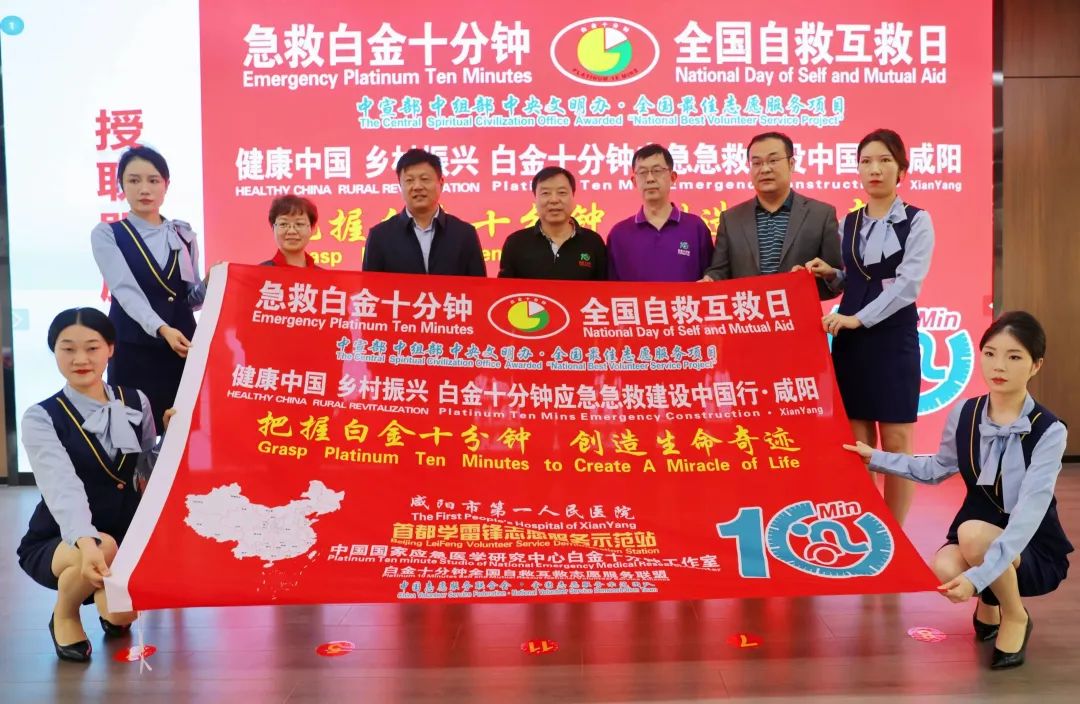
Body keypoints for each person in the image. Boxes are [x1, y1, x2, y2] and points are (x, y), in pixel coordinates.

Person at [844, 312, 1070, 670]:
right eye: (990, 353)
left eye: (1014, 357)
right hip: (973, 533)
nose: (999, 366)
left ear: (1035, 365)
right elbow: (937, 469)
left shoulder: (1050, 430)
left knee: (974, 535)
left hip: (1029, 543)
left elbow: (1029, 514)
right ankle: (991, 600)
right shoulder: (966, 412)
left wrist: (976, 579)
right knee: (945, 565)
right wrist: (877, 458)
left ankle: (1015, 615)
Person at [16, 308, 165, 662]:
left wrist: (172, 437)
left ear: (110, 349)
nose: (80, 359)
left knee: (121, 616)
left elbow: (146, 467)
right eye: (68, 349)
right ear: (54, 352)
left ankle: (109, 599)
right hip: (61, 538)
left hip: (125, 533)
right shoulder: (41, 416)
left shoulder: (136, 401)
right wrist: (87, 540)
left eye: (92, 348)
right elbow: (61, 486)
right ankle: (65, 615)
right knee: (102, 545)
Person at [804, 128, 934, 524]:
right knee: (857, 444)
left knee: (896, 442)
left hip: (892, 340)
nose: (874, 169)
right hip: (850, 343)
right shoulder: (851, 221)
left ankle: (896, 533)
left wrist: (858, 318)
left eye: (884, 161)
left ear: (901, 170)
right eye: (866, 162)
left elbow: (907, 286)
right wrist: (832, 275)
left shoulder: (918, 220)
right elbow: (858, 278)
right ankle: (870, 530)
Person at [91, 146, 205, 431]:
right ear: (121, 185)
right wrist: (162, 329)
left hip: (181, 349)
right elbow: (125, 292)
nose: (144, 189)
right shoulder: (108, 234)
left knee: (183, 430)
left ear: (166, 185)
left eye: (153, 180)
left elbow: (190, 300)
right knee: (133, 431)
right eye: (134, 180)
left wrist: (210, 284)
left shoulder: (183, 234)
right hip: (134, 349)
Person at [702, 132, 841, 299]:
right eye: (756, 163)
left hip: (799, 312)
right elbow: (719, 271)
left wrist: (824, 277)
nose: (765, 169)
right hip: (748, 312)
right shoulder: (731, 219)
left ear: (791, 164)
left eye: (773, 160)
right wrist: (710, 281)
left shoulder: (821, 214)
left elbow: (836, 279)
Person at [362, 148, 486, 276]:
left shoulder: (464, 234)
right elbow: (370, 287)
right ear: (400, 185)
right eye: (409, 180)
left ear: (441, 183)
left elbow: (479, 286)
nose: (417, 187)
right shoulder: (380, 236)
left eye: (425, 179)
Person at [606, 144, 714, 281]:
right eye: (643, 172)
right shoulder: (618, 234)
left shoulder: (696, 227)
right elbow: (609, 289)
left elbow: (711, 278)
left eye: (657, 171)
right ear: (634, 181)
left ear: (673, 177)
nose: (650, 179)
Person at [498, 166, 607, 280]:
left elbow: (605, 288)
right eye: (545, 193)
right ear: (535, 199)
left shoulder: (593, 242)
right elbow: (503, 289)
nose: (554, 200)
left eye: (562, 192)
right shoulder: (516, 243)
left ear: (573, 196)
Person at [261, 195, 322, 268]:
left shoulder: (322, 275)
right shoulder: (259, 273)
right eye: (283, 224)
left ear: (312, 229)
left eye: (299, 224)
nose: (291, 231)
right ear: (273, 228)